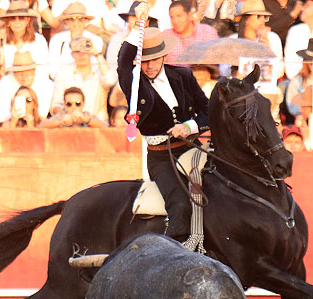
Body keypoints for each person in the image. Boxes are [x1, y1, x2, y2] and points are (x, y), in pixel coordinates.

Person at [117, 3, 209, 240]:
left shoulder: (184, 75)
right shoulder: (135, 84)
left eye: (154, 59)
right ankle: (176, 256)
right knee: (180, 203)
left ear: (164, 56)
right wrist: (139, 26)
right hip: (161, 159)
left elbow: (208, 112)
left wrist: (188, 126)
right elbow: (123, 61)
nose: (149, 66)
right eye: (144, 61)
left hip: (194, 148)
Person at [50, 35, 116, 122]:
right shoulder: (64, 73)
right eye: (78, 52)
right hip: (71, 124)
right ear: (72, 54)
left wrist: (98, 54)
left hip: (98, 124)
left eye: (85, 52)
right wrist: (67, 117)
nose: (81, 55)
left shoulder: (99, 71)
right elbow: (56, 104)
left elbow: (111, 81)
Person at [0, 0, 49, 80]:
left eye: (21, 18)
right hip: (8, 82)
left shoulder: (39, 40)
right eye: (12, 18)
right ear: (8, 21)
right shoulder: (1, 40)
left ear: (28, 20)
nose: (17, 22)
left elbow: (43, 69)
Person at [48, 2, 104, 81]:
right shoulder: (57, 40)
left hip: (89, 82)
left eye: (80, 19)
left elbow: (96, 68)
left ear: (86, 21)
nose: (76, 23)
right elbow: (53, 71)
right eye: (71, 19)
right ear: (66, 22)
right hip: (63, 82)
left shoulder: (95, 40)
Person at [0, 51, 52, 124]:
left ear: (33, 70)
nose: (23, 76)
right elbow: (2, 116)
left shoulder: (46, 84)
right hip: (12, 123)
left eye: (27, 71)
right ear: (13, 72)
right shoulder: (6, 81)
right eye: (19, 72)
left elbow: (42, 114)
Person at [161, 0, 218, 65]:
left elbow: (214, 63)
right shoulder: (166, 36)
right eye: (172, 17)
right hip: (175, 74)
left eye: (179, 16)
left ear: (190, 15)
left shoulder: (207, 32)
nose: (175, 21)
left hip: (201, 73)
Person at [41, 86, 107, 128]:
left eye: (77, 104)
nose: (73, 107)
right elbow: (42, 125)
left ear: (83, 104)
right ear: (64, 105)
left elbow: (105, 127)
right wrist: (60, 123)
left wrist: (86, 120)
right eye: (69, 104)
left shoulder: (87, 116)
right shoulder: (60, 116)